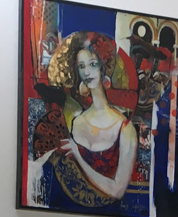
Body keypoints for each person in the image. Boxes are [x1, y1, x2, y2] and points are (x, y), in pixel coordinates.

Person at [55, 35, 138, 201]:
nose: (86, 72)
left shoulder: (125, 128)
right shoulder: (76, 121)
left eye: (93, 64)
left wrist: (78, 157)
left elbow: (118, 190)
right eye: (81, 66)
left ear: (103, 67)